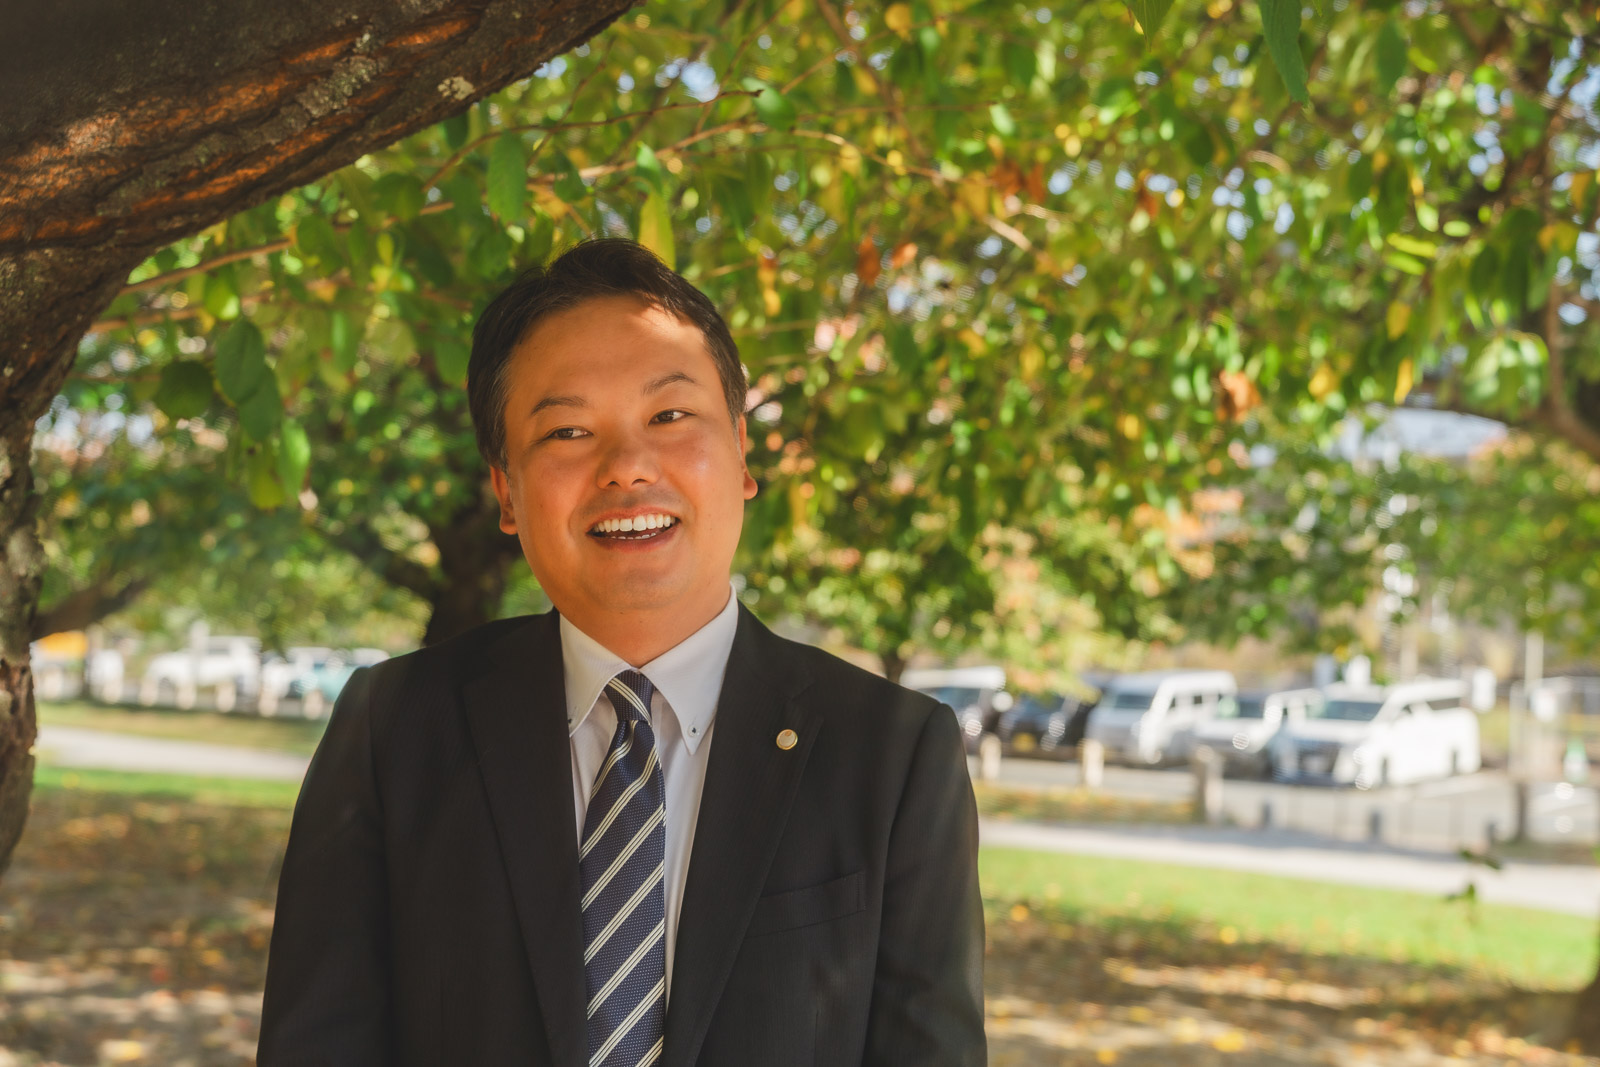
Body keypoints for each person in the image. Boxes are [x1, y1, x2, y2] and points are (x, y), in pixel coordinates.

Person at [258, 238, 985, 1066]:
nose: (628, 468)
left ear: (741, 451)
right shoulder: (392, 731)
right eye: (567, 430)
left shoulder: (892, 755)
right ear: (506, 489)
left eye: (669, 416)